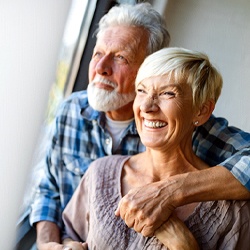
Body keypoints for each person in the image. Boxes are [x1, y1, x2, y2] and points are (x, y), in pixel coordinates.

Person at [29, 2, 250, 250]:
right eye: (97, 54)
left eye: (120, 57)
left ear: (149, 65)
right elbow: (47, 190)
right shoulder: (70, 111)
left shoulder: (199, 131)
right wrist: (49, 244)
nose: (101, 68)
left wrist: (170, 192)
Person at [62, 47, 250, 250]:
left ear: (202, 111)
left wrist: (185, 246)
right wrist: (70, 246)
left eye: (168, 93)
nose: (147, 107)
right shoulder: (100, 172)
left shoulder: (234, 213)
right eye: (142, 91)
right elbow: (69, 234)